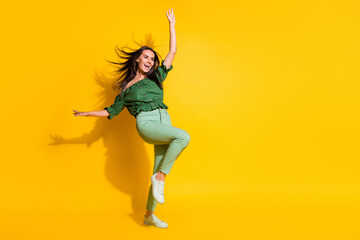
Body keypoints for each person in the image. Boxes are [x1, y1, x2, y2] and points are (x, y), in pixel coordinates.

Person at [72, 8, 190, 229]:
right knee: (183, 137)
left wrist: (172, 26)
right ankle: (162, 178)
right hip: (146, 122)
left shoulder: (156, 76)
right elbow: (110, 111)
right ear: (137, 59)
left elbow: (172, 53)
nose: (149, 60)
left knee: (155, 172)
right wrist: (88, 113)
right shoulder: (126, 88)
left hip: (165, 119)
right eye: (145, 57)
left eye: (152, 59)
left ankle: (148, 215)